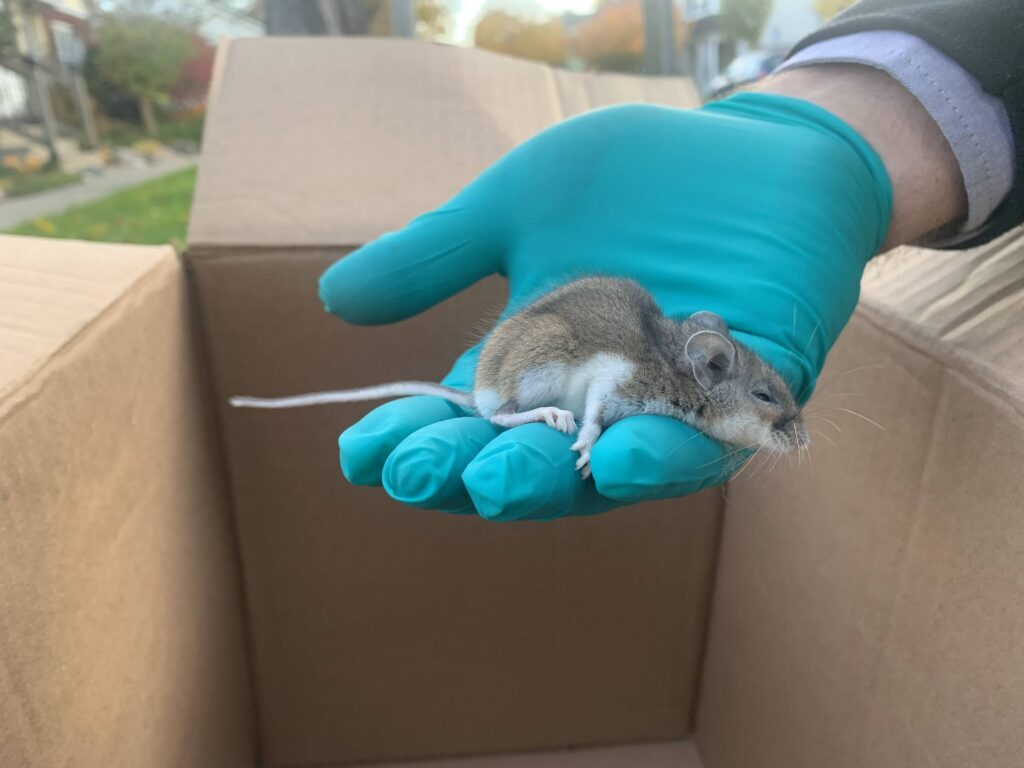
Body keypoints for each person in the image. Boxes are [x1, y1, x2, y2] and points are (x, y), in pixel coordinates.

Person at [317, 0, 1023, 521]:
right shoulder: (663, 379)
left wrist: (853, 131)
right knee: (552, 416)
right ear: (711, 371)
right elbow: (607, 381)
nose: (787, 422)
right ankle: (505, 413)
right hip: (546, 367)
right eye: (771, 406)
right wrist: (582, 429)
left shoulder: (693, 370)